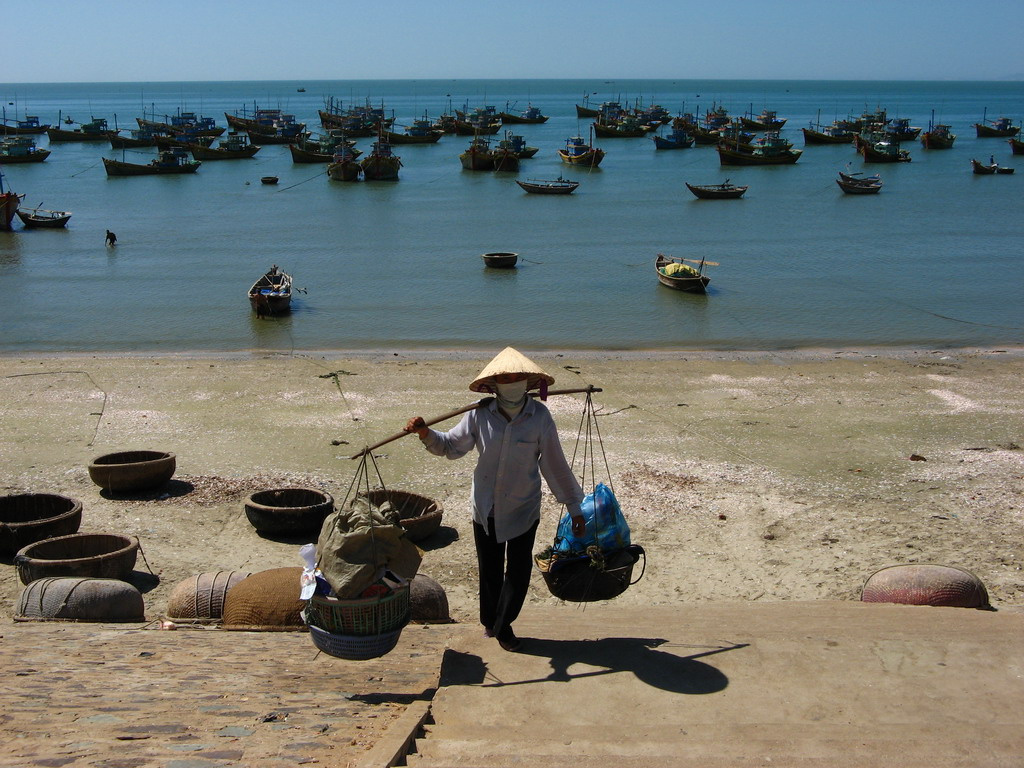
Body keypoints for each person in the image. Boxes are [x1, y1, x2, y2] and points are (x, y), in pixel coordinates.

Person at [405, 347, 585, 652]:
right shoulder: (479, 413)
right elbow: (451, 447)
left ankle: (504, 626)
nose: (510, 381)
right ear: (494, 383)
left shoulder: (539, 417)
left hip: (523, 506)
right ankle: (491, 621)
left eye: (516, 376)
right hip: (485, 505)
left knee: (517, 570)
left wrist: (575, 508)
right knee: (489, 568)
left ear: (527, 381)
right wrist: (425, 433)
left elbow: (554, 464)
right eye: (504, 377)